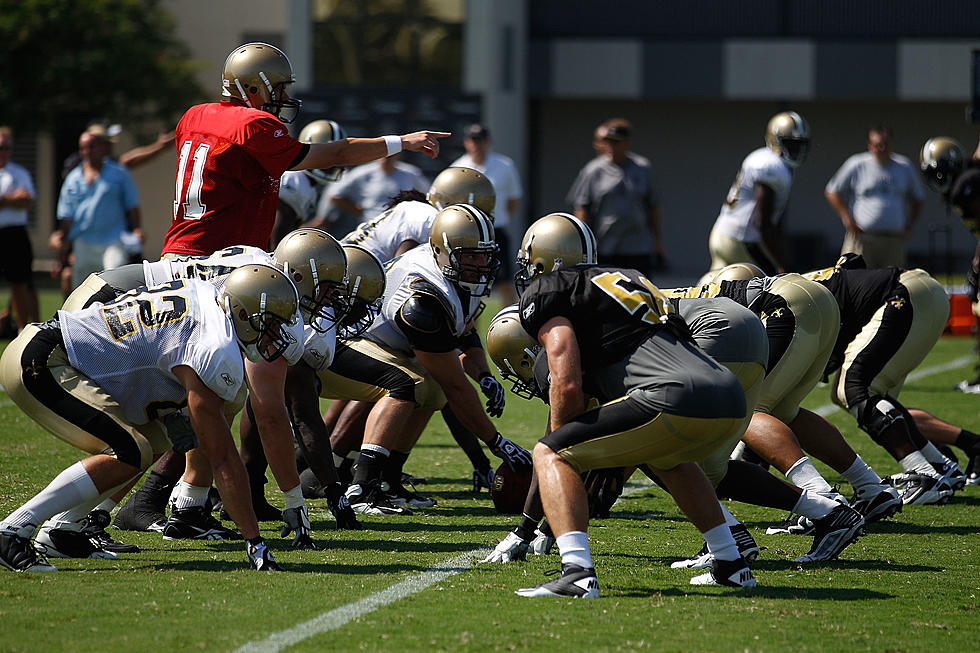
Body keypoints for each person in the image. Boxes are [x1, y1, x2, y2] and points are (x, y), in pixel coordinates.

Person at [0, 265, 299, 572]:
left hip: (52, 349)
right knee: (130, 450)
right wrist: (255, 541)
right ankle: (12, 530)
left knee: (155, 440)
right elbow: (222, 457)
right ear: (244, 313)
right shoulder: (215, 344)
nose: (274, 336)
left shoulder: (211, 299)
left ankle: (63, 530)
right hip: (46, 359)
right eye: (270, 324)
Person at [511, 236, 759, 598]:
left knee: (550, 452)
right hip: (729, 394)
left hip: (674, 395)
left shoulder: (550, 289)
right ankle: (732, 563)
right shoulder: (630, 279)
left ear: (544, 265)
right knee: (667, 458)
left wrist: (567, 453)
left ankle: (577, 572)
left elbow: (566, 384)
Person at [162, 41, 449, 257]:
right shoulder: (253, 123)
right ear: (251, 88)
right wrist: (402, 141)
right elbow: (339, 154)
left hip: (175, 250)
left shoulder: (193, 116)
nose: (284, 97)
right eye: (278, 88)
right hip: (220, 259)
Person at [335, 204, 531, 514]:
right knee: (410, 383)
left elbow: (463, 333)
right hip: (340, 346)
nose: (480, 264)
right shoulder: (422, 299)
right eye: (470, 256)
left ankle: (388, 479)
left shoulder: (456, 276)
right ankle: (363, 486)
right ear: (443, 252)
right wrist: (497, 442)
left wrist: (483, 374)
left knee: (431, 388)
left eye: (484, 255)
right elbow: (455, 385)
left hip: (377, 345)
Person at [708, 111, 810, 275]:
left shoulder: (760, 157)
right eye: (790, 143)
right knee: (769, 285)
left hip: (720, 234)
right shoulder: (772, 167)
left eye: (799, 145)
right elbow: (762, 222)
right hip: (740, 241)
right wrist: (781, 261)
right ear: (775, 140)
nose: (796, 149)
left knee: (714, 290)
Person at [566, 118, 665, 274]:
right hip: (605, 247)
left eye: (616, 142)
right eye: (608, 142)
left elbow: (653, 206)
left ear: (626, 143)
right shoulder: (593, 170)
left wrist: (658, 241)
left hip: (637, 246)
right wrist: (584, 246)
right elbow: (582, 208)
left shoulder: (642, 168)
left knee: (640, 293)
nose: (611, 146)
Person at [825, 125, 925, 268]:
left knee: (892, 284)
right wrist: (846, 218)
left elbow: (919, 198)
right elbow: (832, 191)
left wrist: (910, 225)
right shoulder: (857, 164)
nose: (882, 149)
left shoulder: (904, 166)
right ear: (870, 146)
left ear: (892, 144)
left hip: (893, 240)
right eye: (878, 145)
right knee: (854, 279)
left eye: (885, 144)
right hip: (862, 238)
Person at [55, 127, 141, 291]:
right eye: (83, 148)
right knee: (82, 291)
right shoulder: (73, 178)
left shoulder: (119, 173)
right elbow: (66, 215)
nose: (86, 151)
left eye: (91, 146)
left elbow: (132, 205)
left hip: (113, 240)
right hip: (83, 241)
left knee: (115, 286)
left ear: (101, 147)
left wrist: (137, 229)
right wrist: (64, 244)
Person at [451, 124, 524, 299]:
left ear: (488, 142)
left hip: (495, 230)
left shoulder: (504, 165)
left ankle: (508, 325)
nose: (477, 145)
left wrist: (499, 219)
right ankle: (470, 325)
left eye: (481, 140)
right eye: (473, 140)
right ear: (466, 142)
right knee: (469, 282)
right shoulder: (457, 167)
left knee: (505, 280)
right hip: (468, 235)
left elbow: (513, 199)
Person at [272, 119, 346, 247]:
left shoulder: (307, 184)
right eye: (328, 156)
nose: (332, 164)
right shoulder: (294, 179)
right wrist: (275, 255)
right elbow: (279, 223)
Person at [324, 153, 429, 228]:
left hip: (402, 227)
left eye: (391, 155)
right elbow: (335, 194)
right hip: (370, 226)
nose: (386, 158)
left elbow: (428, 195)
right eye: (384, 154)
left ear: (398, 155)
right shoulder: (363, 172)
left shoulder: (411, 174)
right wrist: (357, 211)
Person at [0, 126, 39, 332]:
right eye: (0, 148)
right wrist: (11, 199)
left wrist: (4, 199)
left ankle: (23, 329)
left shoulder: (19, 173)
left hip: (14, 234)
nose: (3, 152)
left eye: (6, 148)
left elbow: (27, 200)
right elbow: (18, 198)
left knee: (20, 283)